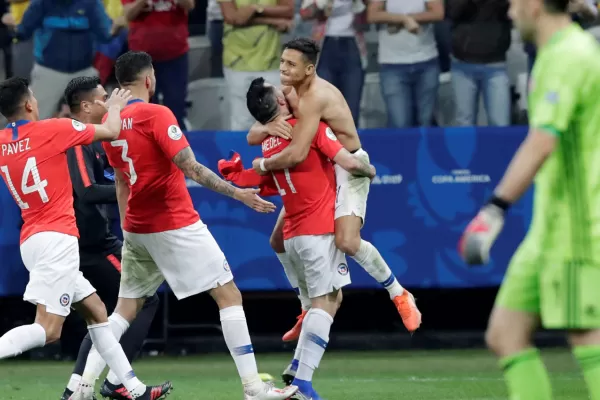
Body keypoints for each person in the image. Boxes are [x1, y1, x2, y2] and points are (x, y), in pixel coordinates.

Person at [74, 51, 298, 400]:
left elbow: (121, 182)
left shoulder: (111, 124)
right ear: (149, 80)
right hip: (173, 221)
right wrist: (238, 194)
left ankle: (83, 387)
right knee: (228, 294)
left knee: (124, 310)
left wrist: (129, 227)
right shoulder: (155, 113)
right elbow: (191, 168)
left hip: (137, 227)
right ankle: (254, 388)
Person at [458, 0, 600, 398]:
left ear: (535, 6)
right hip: (547, 232)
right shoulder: (556, 53)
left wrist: (494, 209)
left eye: (515, 3)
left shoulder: (570, 56)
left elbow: (542, 142)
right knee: (505, 334)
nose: (508, 12)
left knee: (586, 335)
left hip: (576, 228)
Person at [0, 77, 172, 400]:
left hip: (32, 239)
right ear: (27, 105)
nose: (37, 101)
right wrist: (118, 107)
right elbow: (109, 131)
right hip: (57, 238)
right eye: (34, 97)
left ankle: (133, 388)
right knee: (48, 331)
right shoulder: (53, 129)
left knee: (97, 312)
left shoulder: (2, 143)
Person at [247, 37, 421, 342]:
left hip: (348, 164)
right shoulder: (288, 90)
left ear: (309, 69)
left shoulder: (316, 96)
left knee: (347, 241)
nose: (283, 70)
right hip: (322, 170)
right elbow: (253, 132)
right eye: (282, 62)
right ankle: (305, 307)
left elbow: (298, 153)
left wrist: (261, 165)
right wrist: (266, 127)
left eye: (291, 64)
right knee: (277, 240)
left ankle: (399, 293)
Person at [246, 77, 376, 399]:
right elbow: (347, 160)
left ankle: (296, 366)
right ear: (277, 103)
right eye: (280, 93)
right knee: (323, 304)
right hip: (316, 230)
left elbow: (255, 136)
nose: (286, 92)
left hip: (293, 233)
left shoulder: (267, 141)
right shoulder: (310, 128)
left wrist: (262, 136)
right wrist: (369, 171)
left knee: (331, 300)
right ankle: (302, 382)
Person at [61, 76, 160, 400]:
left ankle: (77, 388)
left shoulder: (93, 137)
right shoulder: (76, 138)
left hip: (89, 241)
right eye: (105, 98)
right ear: (87, 106)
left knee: (100, 313)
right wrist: (134, 186)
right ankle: (117, 382)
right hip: (89, 244)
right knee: (143, 297)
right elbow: (86, 190)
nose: (111, 102)